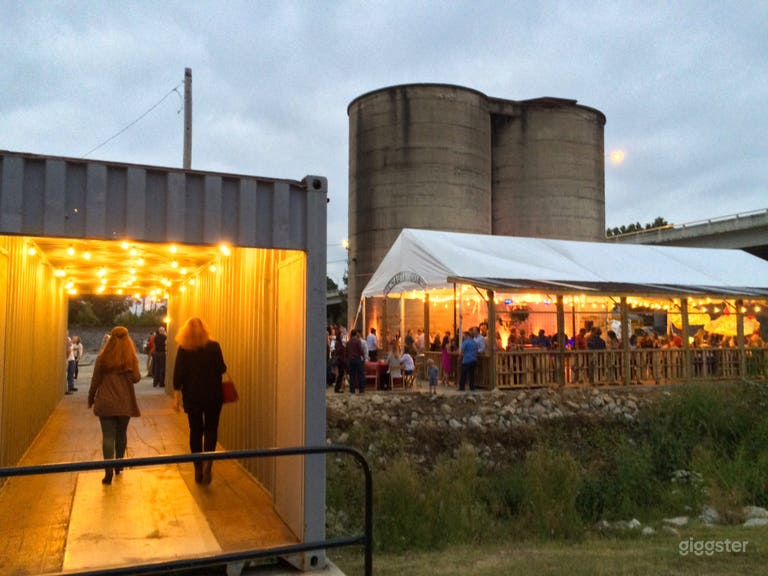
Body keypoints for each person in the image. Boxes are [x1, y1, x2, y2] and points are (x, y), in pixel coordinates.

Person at [172, 317, 227, 485]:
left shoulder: (184, 349)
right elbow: (222, 368)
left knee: (195, 430)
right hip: (213, 395)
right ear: (205, 330)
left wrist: (176, 398)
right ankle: (208, 462)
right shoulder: (214, 346)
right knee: (211, 429)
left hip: (192, 396)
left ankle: (197, 467)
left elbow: (178, 375)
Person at [87, 326, 142, 485]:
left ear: (110, 339)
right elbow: (137, 378)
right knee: (121, 434)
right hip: (124, 402)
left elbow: (95, 381)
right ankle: (119, 464)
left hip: (106, 402)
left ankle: (108, 471)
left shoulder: (102, 358)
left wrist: (91, 398)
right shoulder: (131, 359)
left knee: (108, 436)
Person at [346, 329, 365, 394]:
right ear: (356, 334)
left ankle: (352, 390)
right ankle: (361, 389)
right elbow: (360, 350)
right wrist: (363, 355)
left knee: (352, 375)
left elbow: (347, 352)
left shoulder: (348, 342)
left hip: (351, 360)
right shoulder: (358, 341)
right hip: (357, 359)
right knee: (360, 374)